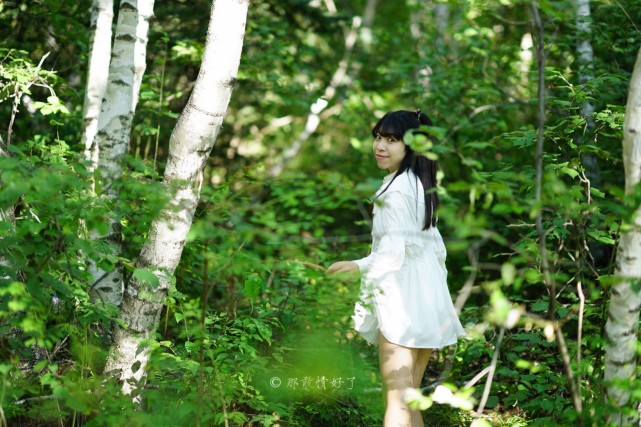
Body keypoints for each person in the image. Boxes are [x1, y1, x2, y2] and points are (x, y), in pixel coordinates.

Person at [327, 109, 465, 427]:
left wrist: (356, 265)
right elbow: (437, 250)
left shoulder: (399, 190)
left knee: (396, 404)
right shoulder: (419, 184)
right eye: (378, 137)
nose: (380, 146)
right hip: (428, 300)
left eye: (391, 140)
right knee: (409, 402)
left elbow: (392, 255)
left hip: (403, 305)